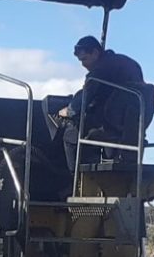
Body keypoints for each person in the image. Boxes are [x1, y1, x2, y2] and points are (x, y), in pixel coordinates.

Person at [56, 35, 146, 171]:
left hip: (112, 121)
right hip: (133, 125)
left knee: (71, 133)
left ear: (95, 53)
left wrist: (68, 111)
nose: (83, 65)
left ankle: (76, 177)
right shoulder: (128, 63)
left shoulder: (100, 70)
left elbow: (85, 97)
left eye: (84, 59)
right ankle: (114, 158)